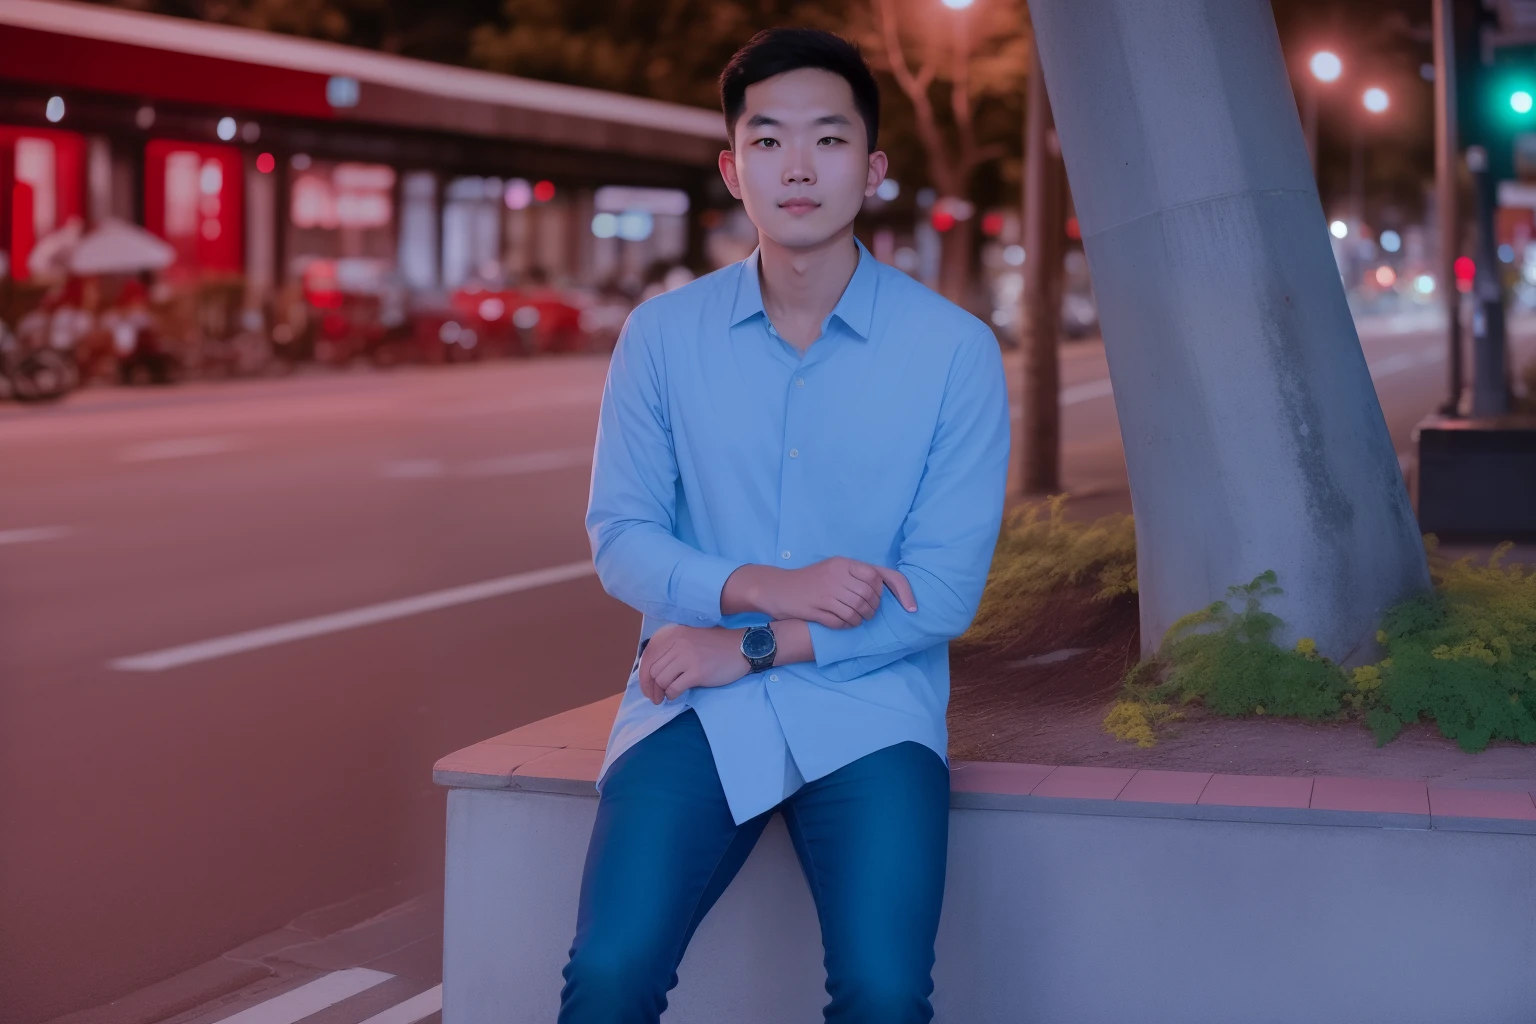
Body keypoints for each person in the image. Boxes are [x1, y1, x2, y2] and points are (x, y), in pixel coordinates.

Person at [566, 27, 1010, 1024]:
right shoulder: (662, 337)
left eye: (829, 139)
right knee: (608, 972)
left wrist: (751, 646)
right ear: (732, 168)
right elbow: (621, 535)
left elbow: (938, 597)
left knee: (886, 992)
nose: (798, 167)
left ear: (875, 166)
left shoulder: (954, 353)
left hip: (870, 707)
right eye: (768, 141)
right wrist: (766, 585)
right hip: (690, 708)